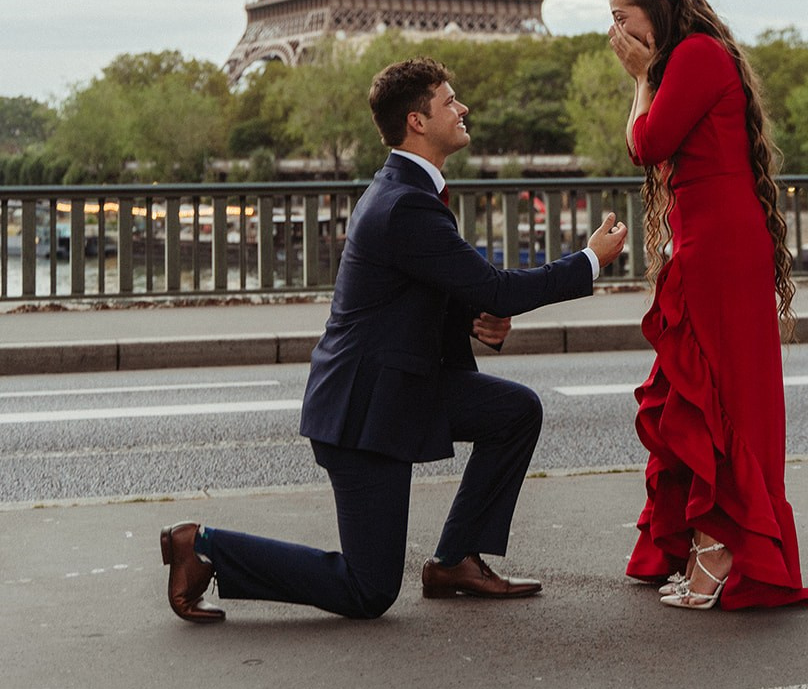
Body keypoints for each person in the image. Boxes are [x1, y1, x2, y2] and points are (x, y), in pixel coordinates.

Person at [160, 57, 627, 623]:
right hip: (366, 412)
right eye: (450, 101)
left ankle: (456, 559)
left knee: (514, 411)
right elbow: (494, 287)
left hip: (400, 386)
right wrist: (588, 262)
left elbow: (424, 292)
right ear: (417, 121)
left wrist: (477, 317)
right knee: (369, 589)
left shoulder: (404, 190)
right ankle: (204, 547)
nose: (464, 108)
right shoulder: (405, 202)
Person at [607, 0, 808, 611]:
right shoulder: (693, 56)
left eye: (621, 16)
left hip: (717, 246)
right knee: (703, 391)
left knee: (718, 396)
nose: (614, 30)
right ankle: (708, 541)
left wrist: (640, 80)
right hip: (705, 240)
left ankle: (722, 552)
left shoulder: (693, 55)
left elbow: (646, 142)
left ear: (655, 12)